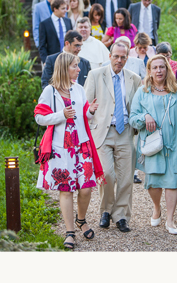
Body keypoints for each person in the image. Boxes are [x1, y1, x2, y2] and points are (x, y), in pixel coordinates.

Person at [34, 52, 103, 249]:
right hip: (60, 148)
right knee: (66, 190)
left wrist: (90, 111)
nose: (79, 69)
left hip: (81, 146)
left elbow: (83, 115)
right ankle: (70, 231)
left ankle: (81, 219)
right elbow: (39, 117)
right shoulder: (50, 91)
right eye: (75, 66)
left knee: (86, 188)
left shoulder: (79, 89)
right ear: (64, 68)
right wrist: (60, 115)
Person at [130, 55, 177, 234]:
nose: (159, 70)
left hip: (174, 143)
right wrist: (145, 117)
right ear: (149, 71)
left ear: (167, 69)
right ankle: (157, 207)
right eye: (155, 67)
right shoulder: (142, 92)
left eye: (162, 67)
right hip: (152, 144)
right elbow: (133, 118)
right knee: (153, 183)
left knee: (173, 181)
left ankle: (171, 220)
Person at [84, 42, 142, 233]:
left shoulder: (134, 78)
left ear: (127, 58)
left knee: (126, 178)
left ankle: (121, 216)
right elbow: (86, 107)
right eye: (116, 56)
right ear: (110, 56)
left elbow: (137, 106)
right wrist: (90, 115)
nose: (119, 60)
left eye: (123, 57)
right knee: (107, 174)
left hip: (125, 131)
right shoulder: (95, 75)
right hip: (102, 131)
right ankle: (106, 211)